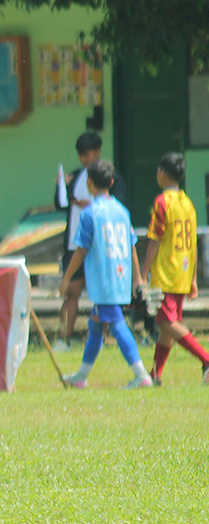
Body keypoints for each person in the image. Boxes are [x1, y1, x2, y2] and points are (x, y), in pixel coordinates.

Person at [59, 159, 152, 389]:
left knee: (116, 323)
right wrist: (137, 277)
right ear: (111, 182)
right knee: (96, 325)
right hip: (120, 276)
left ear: (89, 183)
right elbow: (131, 245)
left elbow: (81, 250)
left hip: (103, 278)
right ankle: (81, 376)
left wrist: (67, 278)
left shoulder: (90, 213)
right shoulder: (122, 211)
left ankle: (141, 375)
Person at [139, 153, 209, 385]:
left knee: (165, 323)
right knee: (167, 328)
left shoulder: (162, 202)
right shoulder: (187, 203)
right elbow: (193, 243)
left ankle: (206, 359)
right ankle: (156, 375)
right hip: (183, 271)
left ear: (161, 173)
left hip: (167, 272)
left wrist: (143, 273)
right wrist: (193, 278)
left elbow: (155, 239)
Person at [53, 132, 126, 351]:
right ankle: (63, 338)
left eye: (88, 154)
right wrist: (59, 186)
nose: (84, 159)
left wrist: (90, 205)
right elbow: (61, 204)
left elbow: (119, 205)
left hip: (101, 246)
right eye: (81, 155)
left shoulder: (110, 177)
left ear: (98, 151)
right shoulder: (75, 176)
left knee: (102, 296)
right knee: (70, 293)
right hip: (75, 244)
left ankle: (98, 339)